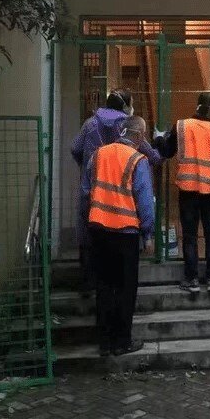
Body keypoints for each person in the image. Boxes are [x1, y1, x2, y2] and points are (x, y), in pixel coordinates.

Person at [71, 89, 161, 291]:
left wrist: (87, 166)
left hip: (95, 192)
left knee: (89, 232)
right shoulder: (128, 127)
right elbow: (151, 155)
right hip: (123, 206)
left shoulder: (90, 124)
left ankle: (88, 281)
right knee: (122, 272)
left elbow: (75, 148)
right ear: (126, 106)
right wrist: (161, 148)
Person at [81, 116, 155, 357]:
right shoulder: (137, 159)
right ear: (139, 136)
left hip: (99, 229)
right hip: (125, 232)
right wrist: (148, 233)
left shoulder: (98, 154)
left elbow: (86, 191)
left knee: (104, 286)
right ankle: (122, 342)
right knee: (125, 288)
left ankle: (104, 343)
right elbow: (145, 200)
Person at [156, 92, 210, 293]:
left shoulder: (181, 126)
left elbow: (166, 151)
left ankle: (191, 279)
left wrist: (159, 138)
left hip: (188, 190)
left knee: (189, 235)